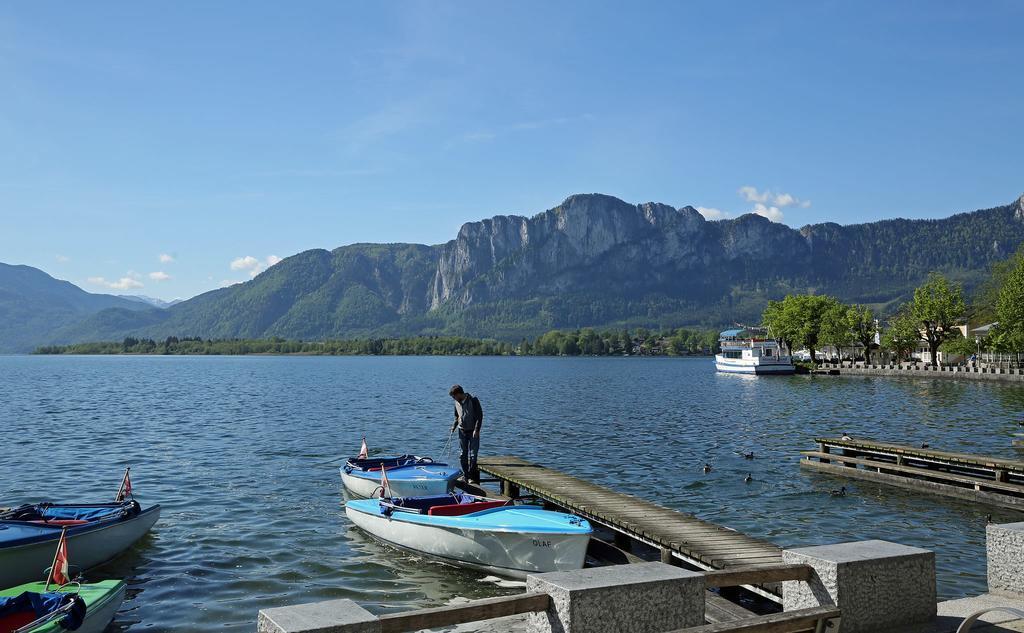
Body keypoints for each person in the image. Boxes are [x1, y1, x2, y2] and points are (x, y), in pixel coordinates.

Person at [449, 384, 483, 484]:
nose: (453, 399)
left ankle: (471, 477)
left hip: (473, 431)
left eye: (454, 396)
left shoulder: (473, 400)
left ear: (459, 394)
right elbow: (457, 416)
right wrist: (454, 426)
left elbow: (479, 416)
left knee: (473, 454)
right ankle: (465, 476)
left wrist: (476, 430)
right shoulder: (456, 402)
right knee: (463, 454)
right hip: (462, 431)